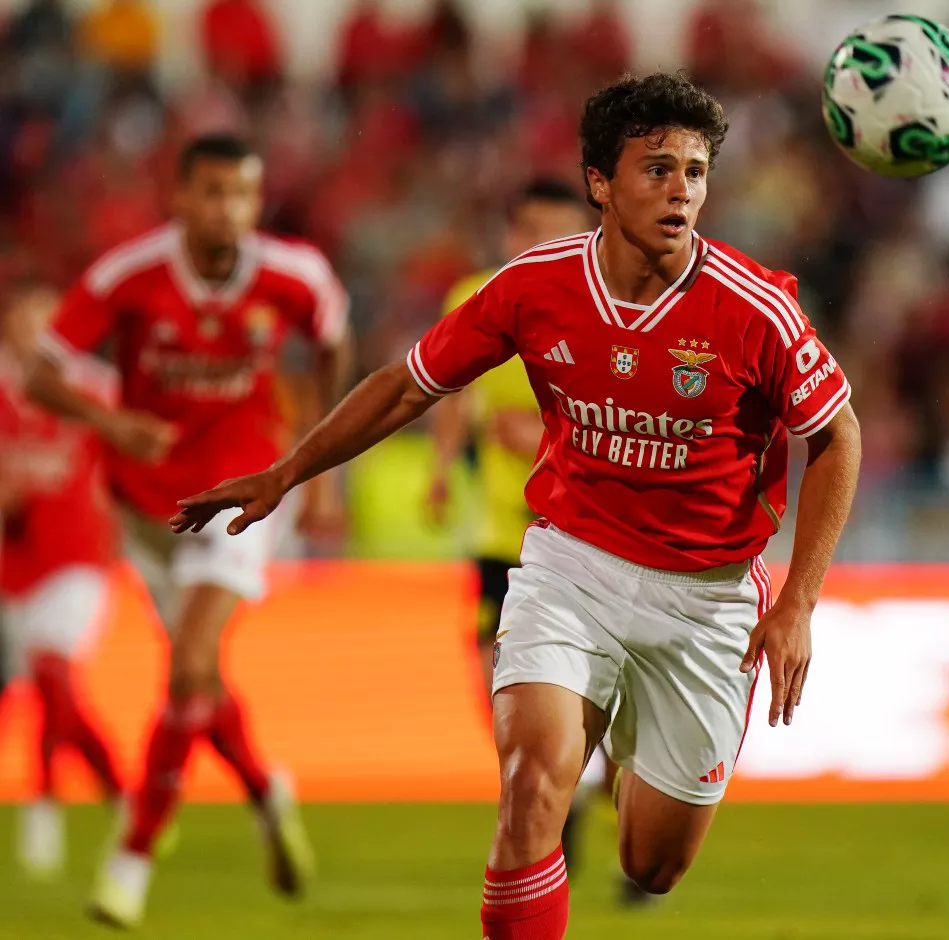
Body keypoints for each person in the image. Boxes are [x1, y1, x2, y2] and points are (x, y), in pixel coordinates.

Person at [171, 73, 861, 940]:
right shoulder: (533, 286)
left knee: (652, 862)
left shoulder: (754, 306)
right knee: (533, 782)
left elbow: (838, 437)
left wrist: (796, 601)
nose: (681, 189)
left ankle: (627, 737)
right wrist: (287, 473)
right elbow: (405, 388)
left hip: (709, 594)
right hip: (574, 565)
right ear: (598, 185)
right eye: (656, 169)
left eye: (694, 171)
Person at [27, 134, 354, 929]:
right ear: (179, 199)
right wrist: (113, 421)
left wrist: (319, 466)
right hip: (147, 510)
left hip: (238, 495)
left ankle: (133, 854)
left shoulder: (295, 273)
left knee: (192, 662)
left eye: (242, 194)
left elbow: (335, 340)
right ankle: (265, 792)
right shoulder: (129, 274)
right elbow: (43, 370)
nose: (227, 210)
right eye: (211, 193)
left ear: (257, 199)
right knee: (197, 681)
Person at [427, 178, 641, 891]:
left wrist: (546, 440)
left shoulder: (605, 301)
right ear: (510, 234)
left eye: (557, 229)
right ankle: (558, 800)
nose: (541, 244)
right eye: (530, 230)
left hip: (585, 526)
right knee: (499, 677)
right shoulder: (476, 295)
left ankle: (609, 810)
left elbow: (624, 414)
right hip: (499, 528)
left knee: (605, 692)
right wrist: (437, 467)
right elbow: (452, 385)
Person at [0, 283, 125, 879]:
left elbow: (131, 465)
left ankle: (43, 804)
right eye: (27, 324)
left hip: (78, 560)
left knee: (52, 672)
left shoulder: (97, 391)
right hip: (12, 570)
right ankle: (122, 793)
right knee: (56, 696)